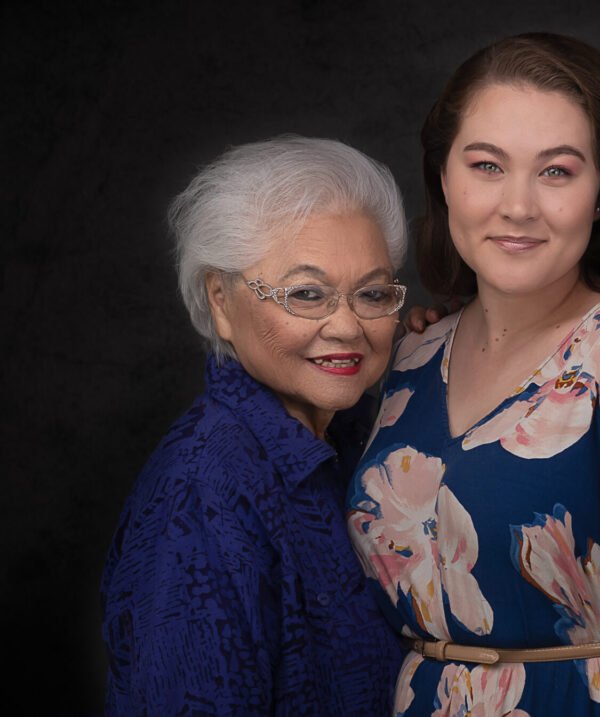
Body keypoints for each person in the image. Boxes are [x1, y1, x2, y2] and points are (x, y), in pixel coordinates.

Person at [345, 34, 600, 717]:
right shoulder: (409, 357)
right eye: (487, 166)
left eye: (556, 171)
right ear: (444, 178)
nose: (518, 205)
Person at [101, 136, 407, 714]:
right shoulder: (203, 490)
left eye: (372, 294)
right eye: (307, 294)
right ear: (221, 300)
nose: (347, 327)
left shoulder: (359, 439)